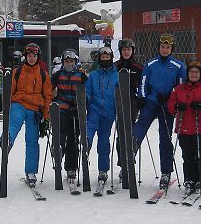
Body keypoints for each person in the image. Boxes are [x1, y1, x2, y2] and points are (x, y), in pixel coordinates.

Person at [133, 34, 186, 189]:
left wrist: (172, 97)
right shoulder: (151, 64)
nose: (164, 50)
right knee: (140, 126)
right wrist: (141, 97)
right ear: (158, 47)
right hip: (152, 100)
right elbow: (143, 82)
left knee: (165, 137)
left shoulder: (178, 66)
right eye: (162, 47)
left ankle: (166, 171)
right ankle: (129, 155)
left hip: (166, 104)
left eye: (168, 47)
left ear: (171, 49)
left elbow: (181, 87)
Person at [167, 60, 201, 193]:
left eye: (196, 72)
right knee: (187, 155)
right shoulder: (178, 89)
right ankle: (190, 178)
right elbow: (171, 106)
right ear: (187, 73)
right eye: (191, 72)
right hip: (184, 127)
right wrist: (176, 106)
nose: (194, 74)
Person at [7, 43, 53, 186]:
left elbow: (48, 96)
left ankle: (31, 171)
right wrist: (7, 106)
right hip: (19, 103)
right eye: (29, 56)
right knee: (15, 121)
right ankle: (7, 140)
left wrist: (46, 117)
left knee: (32, 140)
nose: (31, 58)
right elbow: (10, 91)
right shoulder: (18, 71)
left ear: (38, 57)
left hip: (35, 108)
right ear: (25, 57)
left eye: (34, 56)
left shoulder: (43, 74)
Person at [51, 50, 87, 188]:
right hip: (62, 107)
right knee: (62, 128)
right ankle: (58, 148)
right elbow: (49, 89)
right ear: (63, 62)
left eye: (71, 61)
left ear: (75, 62)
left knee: (73, 137)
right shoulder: (58, 75)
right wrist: (52, 99)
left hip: (76, 108)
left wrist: (84, 103)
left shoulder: (81, 75)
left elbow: (87, 91)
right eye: (67, 62)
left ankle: (71, 167)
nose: (69, 64)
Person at [86, 46, 119, 189]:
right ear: (99, 59)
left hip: (108, 112)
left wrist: (119, 106)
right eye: (103, 58)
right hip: (94, 109)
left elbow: (119, 92)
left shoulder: (116, 75)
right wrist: (84, 100)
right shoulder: (93, 75)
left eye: (107, 58)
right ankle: (85, 145)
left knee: (104, 141)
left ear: (111, 59)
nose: (105, 60)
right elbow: (87, 90)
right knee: (90, 129)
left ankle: (103, 169)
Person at [114, 38, 143, 180]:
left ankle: (130, 157)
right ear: (120, 51)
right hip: (119, 102)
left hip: (133, 102)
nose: (126, 52)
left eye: (129, 50)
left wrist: (141, 98)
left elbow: (143, 84)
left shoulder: (138, 67)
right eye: (124, 50)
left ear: (133, 51)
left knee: (130, 132)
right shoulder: (115, 66)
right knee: (121, 133)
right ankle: (122, 164)